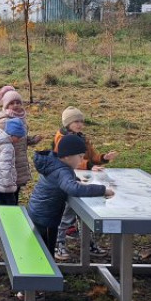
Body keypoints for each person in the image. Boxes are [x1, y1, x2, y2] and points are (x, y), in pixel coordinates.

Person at [27, 133, 114, 253]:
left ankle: (45, 267)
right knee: (44, 251)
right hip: (45, 217)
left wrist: (77, 181)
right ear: (68, 156)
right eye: (80, 157)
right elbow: (73, 189)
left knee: (43, 248)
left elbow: (64, 181)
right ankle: (43, 270)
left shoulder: (55, 163)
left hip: (39, 212)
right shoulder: (62, 171)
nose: (82, 160)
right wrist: (102, 190)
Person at [52, 107, 117, 261]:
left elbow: (92, 155)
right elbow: (67, 159)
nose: (80, 124)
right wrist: (87, 165)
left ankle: (88, 242)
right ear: (68, 123)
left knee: (87, 210)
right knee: (67, 213)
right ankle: (58, 243)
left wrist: (103, 157)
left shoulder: (82, 137)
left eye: (81, 121)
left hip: (83, 178)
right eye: (76, 121)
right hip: (68, 179)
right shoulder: (62, 138)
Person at [0, 88, 43, 201]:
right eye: (11, 103)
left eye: (18, 102)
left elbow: (21, 139)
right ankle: (4, 213)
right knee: (7, 193)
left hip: (18, 161)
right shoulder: (4, 121)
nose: (15, 105)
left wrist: (32, 140)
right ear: (6, 105)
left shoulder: (20, 119)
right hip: (8, 162)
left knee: (15, 190)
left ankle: (12, 208)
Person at [0, 117, 24, 207]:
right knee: (9, 204)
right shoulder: (7, 147)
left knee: (0, 203)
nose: (18, 140)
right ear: (12, 135)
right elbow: (5, 167)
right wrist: (8, 184)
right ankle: (7, 220)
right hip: (3, 184)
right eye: (18, 137)